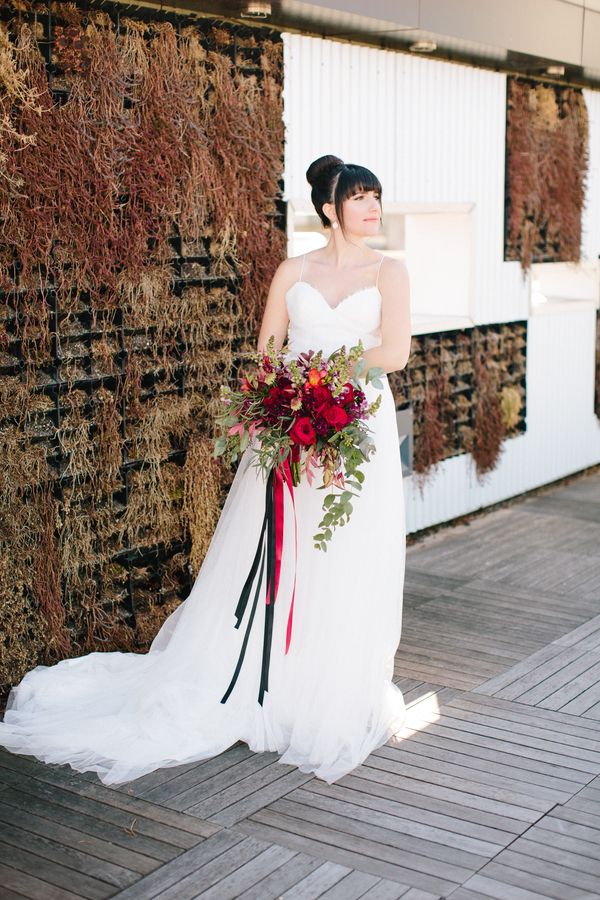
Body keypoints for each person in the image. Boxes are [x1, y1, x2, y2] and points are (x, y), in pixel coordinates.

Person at [0, 154, 411, 786]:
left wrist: (331, 379)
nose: (373, 208)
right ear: (330, 209)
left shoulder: (390, 272)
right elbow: (268, 347)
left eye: (377, 197)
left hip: (357, 422)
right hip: (293, 424)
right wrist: (291, 395)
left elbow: (395, 351)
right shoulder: (291, 270)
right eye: (360, 198)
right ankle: (256, 676)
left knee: (347, 549)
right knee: (281, 547)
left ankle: (328, 687)